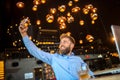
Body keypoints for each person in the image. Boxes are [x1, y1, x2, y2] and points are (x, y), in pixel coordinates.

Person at [19, 17, 95, 80]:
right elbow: (34, 51)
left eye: (65, 42)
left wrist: (91, 76)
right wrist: (24, 34)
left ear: (71, 46)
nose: (61, 44)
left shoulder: (78, 59)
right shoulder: (53, 58)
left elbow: (88, 74)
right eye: (61, 42)